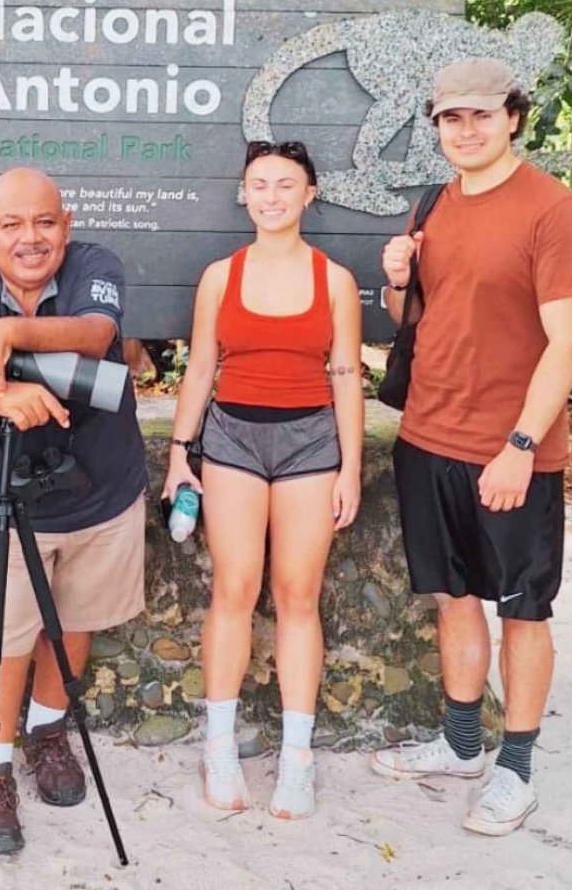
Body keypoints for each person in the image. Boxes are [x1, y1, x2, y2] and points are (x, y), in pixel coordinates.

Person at [368, 57, 572, 837]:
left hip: (511, 448)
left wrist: (522, 444)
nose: (465, 130)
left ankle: (516, 766)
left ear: (514, 117)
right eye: (449, 119)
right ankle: (462, 741)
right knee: (453, 596)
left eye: (481, 115)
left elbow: (568, 342)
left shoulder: (555, 211)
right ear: (435, 128)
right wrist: (395, 277)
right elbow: (418, 319)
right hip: (428, 433)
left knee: (523, 610)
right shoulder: (433, 205)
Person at [0, 166, 148, 855]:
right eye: (11, 224)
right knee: (5, 630)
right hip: (11, 498)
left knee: (75, 619)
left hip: (103, 487)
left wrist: (4, 338)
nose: (30, 237)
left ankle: (49, 732)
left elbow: (98, 336)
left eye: (44, 222)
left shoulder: (93, 265)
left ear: (65, 226)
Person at [162, 140, 364, 819]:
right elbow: (198, 370)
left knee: (298, 591)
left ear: (309, 195)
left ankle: (298, 756)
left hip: (311, 440)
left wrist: (352, 468)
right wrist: (178, 451)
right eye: (259, 184)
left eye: (286, 184)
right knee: (236, 585)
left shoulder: (333, 279)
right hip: (233, 438)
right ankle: (219, 744)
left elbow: (345, 378)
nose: (272, 196)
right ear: (243, 194)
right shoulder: (221, 275)